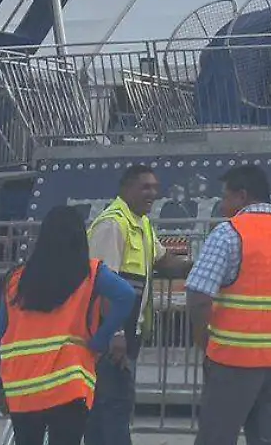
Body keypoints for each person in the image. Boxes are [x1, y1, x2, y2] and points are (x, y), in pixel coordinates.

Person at [185, 164, 271, 445]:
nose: (223, 205)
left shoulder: (229, 233)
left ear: (242, 196)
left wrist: (204, 341)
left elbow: (199, 294)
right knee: (269, 438)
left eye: (225, 197)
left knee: (217, 436)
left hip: (232, 360)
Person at [0, 204, 140, 445]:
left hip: (22, 384)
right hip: (68, 384)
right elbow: (126, 295)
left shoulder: (17, 278)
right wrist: (100, 340)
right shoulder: (90, 273)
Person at [88, 164, 195, 445]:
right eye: (145, 187)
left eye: (155, 188)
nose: (153, 193)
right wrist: (116, 334)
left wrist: (199, 267)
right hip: (110, 337)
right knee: (114, 407)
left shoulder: (141, 223)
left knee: (108, 409)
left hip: (126, 334)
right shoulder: (112, 225)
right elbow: (103, 284)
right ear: (126, 189)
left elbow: (163, 261)